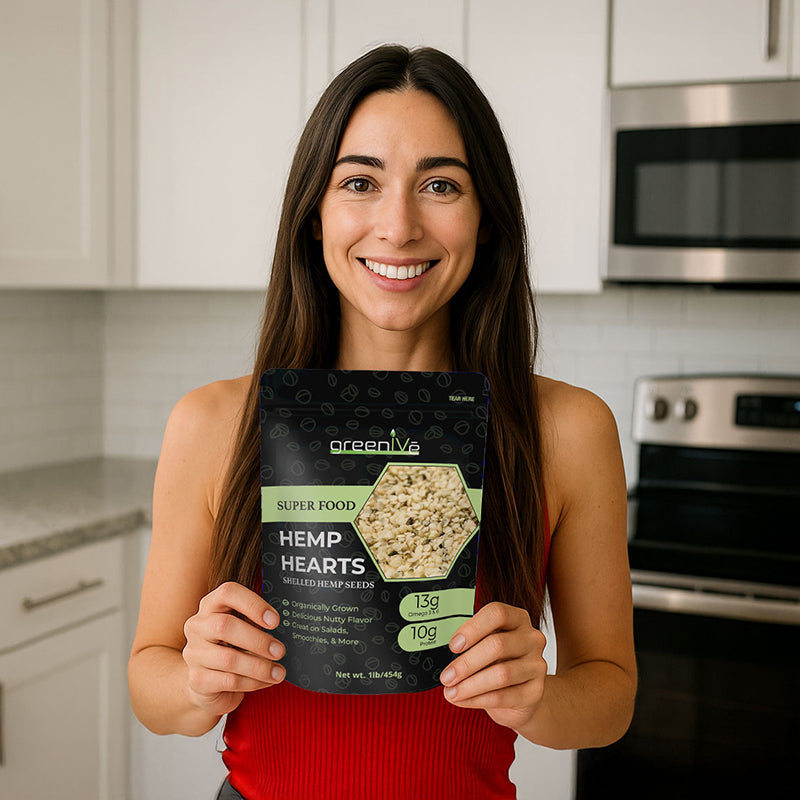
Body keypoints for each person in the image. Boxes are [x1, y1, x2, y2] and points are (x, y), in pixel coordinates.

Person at [128, 44, 636, 800]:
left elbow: (611, 698)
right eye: (360, 182)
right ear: (314, 213)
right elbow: (150, 681)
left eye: (439, 185)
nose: (397, 227)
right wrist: (199, 680)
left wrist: (540, 696)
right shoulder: (212, 423)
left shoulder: (567, 429)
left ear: (486, 218)